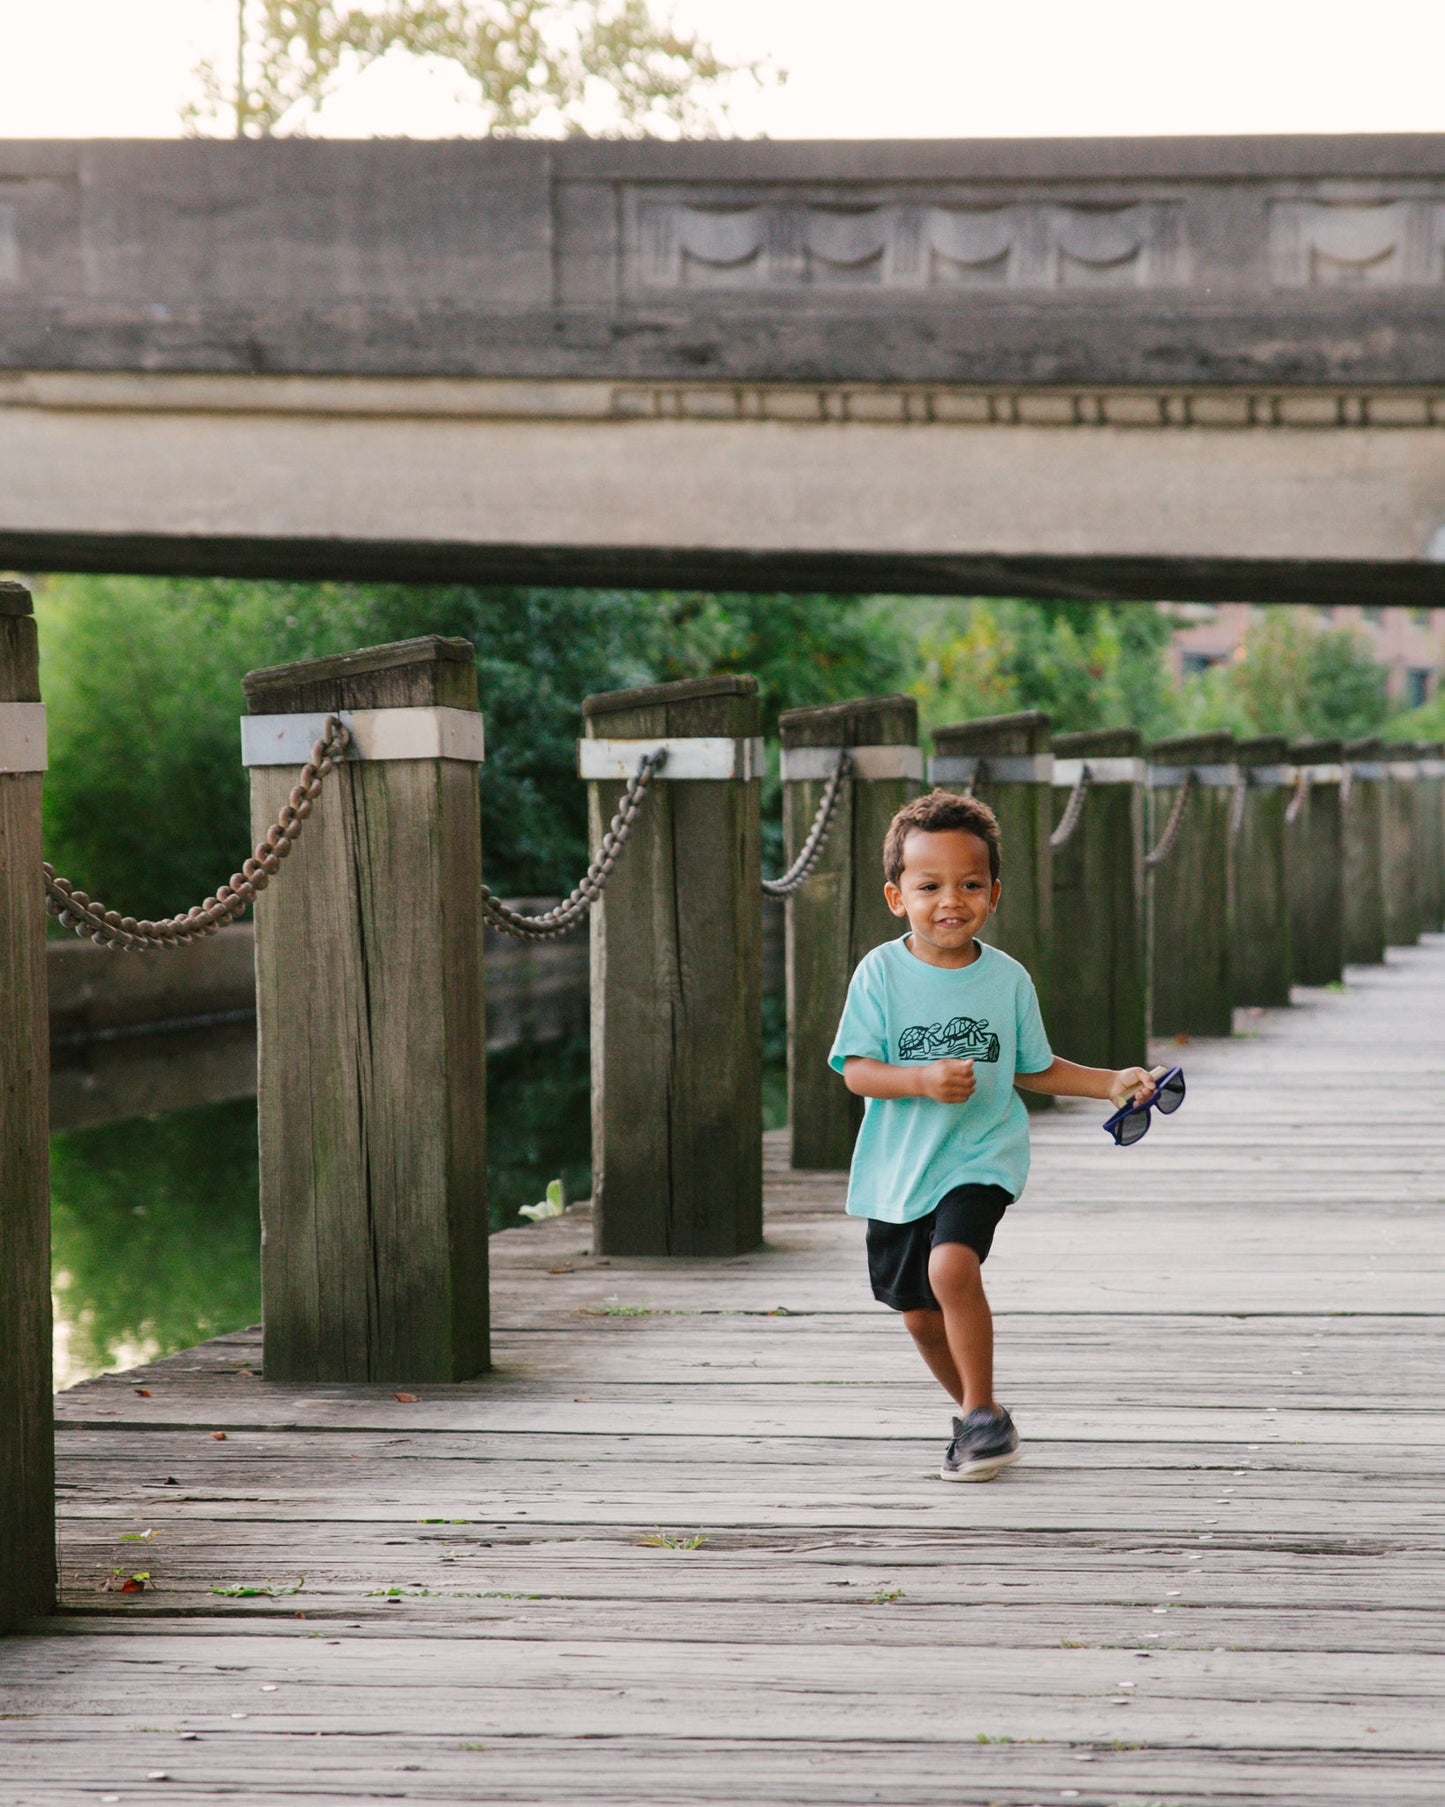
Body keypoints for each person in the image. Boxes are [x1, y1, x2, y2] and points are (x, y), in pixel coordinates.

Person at [828, 788, 1159, 1482]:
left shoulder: (1006, 980)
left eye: (969, 884)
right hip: (897, 1168)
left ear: (994, 893)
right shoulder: (879, 974)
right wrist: (918, 1079)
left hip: (980, 1154)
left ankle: (977, 1412)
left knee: (951, 1267)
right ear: (896, 897)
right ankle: (984, 1417)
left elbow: (1033, 1068)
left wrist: (1107, 1082)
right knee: (917, 1314)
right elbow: (856, 1071)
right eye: (929, 886)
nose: (951, 899)